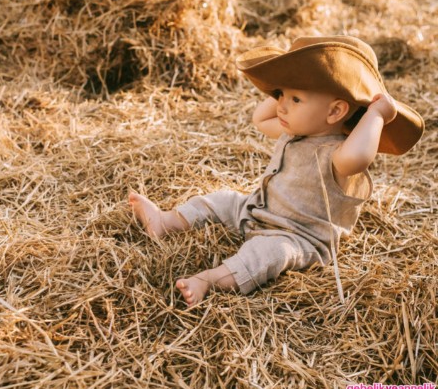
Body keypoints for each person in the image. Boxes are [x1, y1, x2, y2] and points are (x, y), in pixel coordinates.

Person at [129, 36, 424, 306]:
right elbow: (260, 118)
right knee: (219, 200)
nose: (280, 106)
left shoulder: (339, 154)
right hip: (257, 209)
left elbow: (360, 157)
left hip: (298, 236)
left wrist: (375, 114)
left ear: (335, 112)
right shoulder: (294, 130)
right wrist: (283, 86)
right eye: (281, 94)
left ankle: (209, 280)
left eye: (295, 99)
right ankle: (166, 222)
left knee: (268, 255)